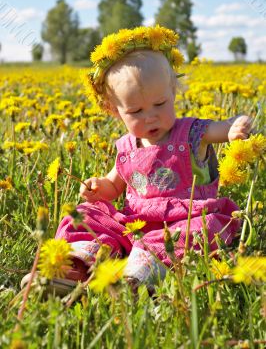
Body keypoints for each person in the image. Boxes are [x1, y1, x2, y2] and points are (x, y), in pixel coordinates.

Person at [50, 26, 253, 291]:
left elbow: (219, 128)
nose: (151, 116)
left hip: (185, 221)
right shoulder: (125, 147)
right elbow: (114, 186)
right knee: (85, 214)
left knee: (198, 231)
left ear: (173, 92)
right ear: (115, 111)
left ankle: (137, 282)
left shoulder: (191, 134)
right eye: (135, 110)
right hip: (135, 224)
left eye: (160, 104)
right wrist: (99, 187)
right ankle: (78, 264)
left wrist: (236, 126)